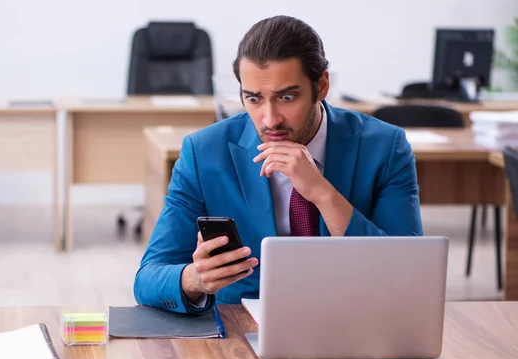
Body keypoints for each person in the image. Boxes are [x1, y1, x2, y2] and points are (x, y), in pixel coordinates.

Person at [133, 15, 423, 314]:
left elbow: (408, 272)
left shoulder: (385, 147)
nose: (270, 119)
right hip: (241, 333)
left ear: (321, 86)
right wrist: (194, 279)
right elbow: (148, 280)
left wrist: (321, 192)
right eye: (254, 99)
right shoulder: (203, 153)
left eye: (287, 97)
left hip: (354, 317)